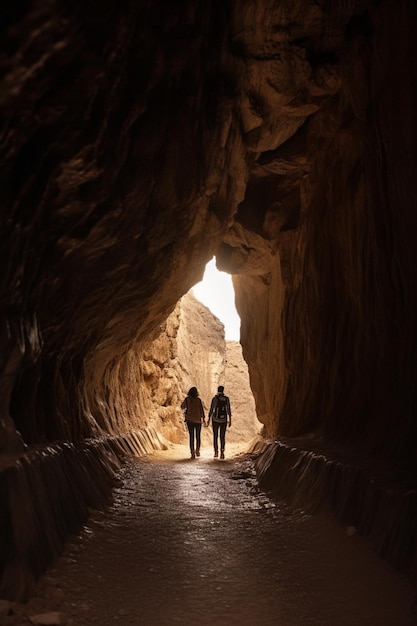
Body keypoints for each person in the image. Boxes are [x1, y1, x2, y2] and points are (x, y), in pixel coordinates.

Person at [181, 387, 206, 459]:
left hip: (189, 420)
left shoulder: (187, 399)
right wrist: (203, 419)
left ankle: (192, 452)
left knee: (191, 437)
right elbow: (201, 410)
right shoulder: (198, 400)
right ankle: (197, 450)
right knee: (198, 436)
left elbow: (182, 407)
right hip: (198, 421)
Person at [208, 385, 232, 459]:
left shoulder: (215, 398)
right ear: (223, 390)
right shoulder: (226, 399)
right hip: (223, 420)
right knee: (222, 436)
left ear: (217, 390)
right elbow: (228, 410)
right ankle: (222, 452)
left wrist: (209, 419)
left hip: (215, 419)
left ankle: (216, 452)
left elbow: (211, 409)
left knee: (215, 436)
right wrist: (230, 420)